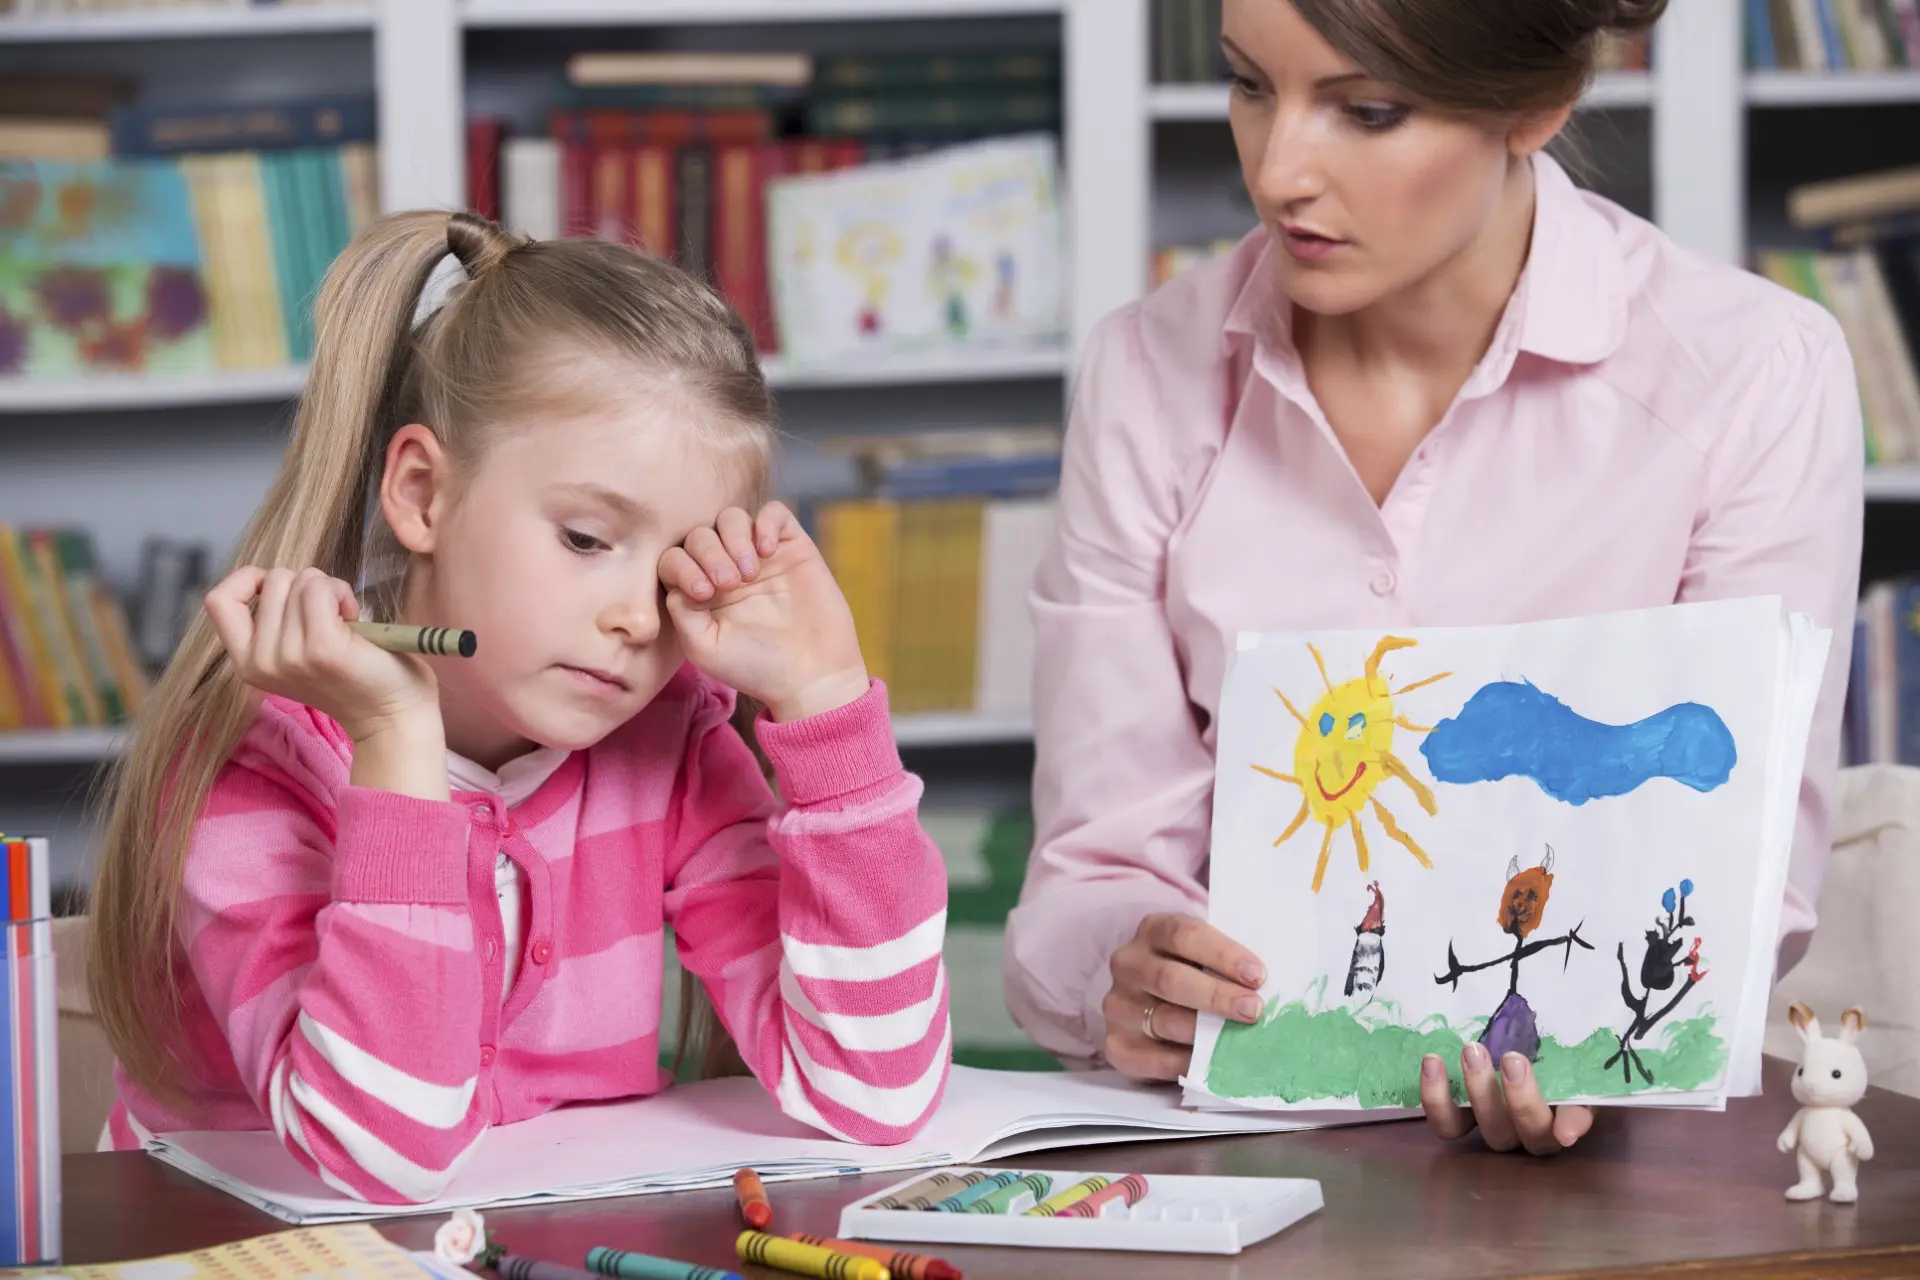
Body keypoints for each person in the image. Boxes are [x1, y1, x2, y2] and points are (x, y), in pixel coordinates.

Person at [1003, 0, 1863, 1157]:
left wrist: (1580, 1041)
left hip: (1616, 1178)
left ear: (1536, 109)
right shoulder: (1144, 372)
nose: (1280, 170)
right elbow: (1087, 875)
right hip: (1235, 1159)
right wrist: (1128, 965)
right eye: (1251, 85)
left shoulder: (1754, 375)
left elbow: (1747, 885)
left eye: (1367, 111)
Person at [86, 211, 953, 1203]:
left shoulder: (666, 739)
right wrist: (396, 744)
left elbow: (878, 1091)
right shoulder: (253, 758)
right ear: (421, 492)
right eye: (587, 538)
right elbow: (381, 1152)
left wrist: (827, 703)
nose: (637, 616)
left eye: (679, 573)